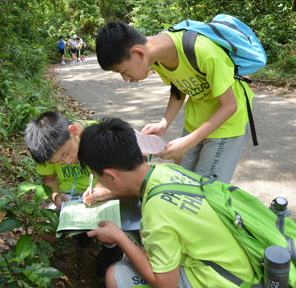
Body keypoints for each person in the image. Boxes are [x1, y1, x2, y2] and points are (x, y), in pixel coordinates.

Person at [78, 117, 258, 288]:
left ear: (110, 175)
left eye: (97, 176)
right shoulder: (167, 170)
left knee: (116, 275)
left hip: (224, 281)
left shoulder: (156, 215)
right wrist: (109, 194)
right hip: (241, 264)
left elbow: (165, 285)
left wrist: (119, 237)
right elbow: (144, 190)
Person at [95, 21, 254, 184]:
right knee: (184, 181)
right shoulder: (157, 57)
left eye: (123, 71)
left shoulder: (202, 50)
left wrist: (190, 141)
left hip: (227, 124)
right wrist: (164, 123)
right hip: (196, 120)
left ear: (138, 53)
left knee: (206, 189)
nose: (126, 78)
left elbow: (229, 105)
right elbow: (178, 86)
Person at [23, 111, 124, 281]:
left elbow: (122, 176)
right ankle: (80, 234)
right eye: (59, 163)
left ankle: (111, 249)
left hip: (105, 195)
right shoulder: (50, 151)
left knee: (106, 226)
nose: (68, 161)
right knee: (45, 229)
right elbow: (49, 179)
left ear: (73, 131)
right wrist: (56, 196)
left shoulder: (101, 134)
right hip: (71, 199)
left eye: (66, 154)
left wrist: (104, 191)